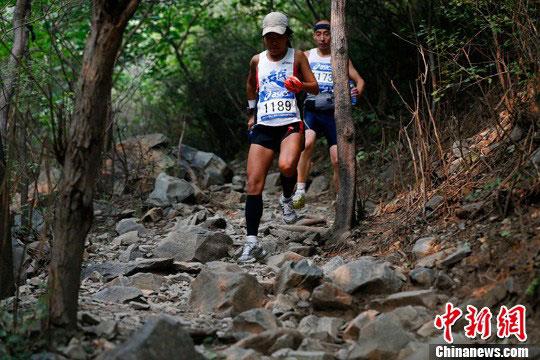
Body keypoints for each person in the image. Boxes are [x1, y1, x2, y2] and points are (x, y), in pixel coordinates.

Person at [239, 12, 319, 263]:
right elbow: (251, 85)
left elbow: (314, 86)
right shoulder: (257, 60)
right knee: (253, 184)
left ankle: (287, 199)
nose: (273, 42)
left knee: (286, 166)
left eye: (278, 37)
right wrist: (251, 112)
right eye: (268, 37)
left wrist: (300, 87)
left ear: (287, 36)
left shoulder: (298, 56)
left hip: (290, 124)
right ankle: (252, 243)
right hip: (264, 125)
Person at [292, 19, 365, 209]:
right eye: (319, 34)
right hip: (312, 111)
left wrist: (354, 95)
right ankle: (300, 189)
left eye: (327, 34)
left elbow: (360, 82)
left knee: (336, 159)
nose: (323, 38)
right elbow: (292, 81)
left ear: (333, 35)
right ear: (314, 36)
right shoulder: (306, 56)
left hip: (334, 114)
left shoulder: (340, 57)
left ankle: (340, 198)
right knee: (307, 143)